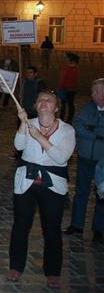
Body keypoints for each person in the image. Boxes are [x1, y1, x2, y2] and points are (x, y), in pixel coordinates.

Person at [7, 92, 75, 288]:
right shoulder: (29, 123)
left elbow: (61, 158)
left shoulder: (67, 130)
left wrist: (38, 137)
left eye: (49, 100)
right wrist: (22, 124)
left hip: (53, 185)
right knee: (21, 226)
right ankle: (16, 266)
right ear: (36, 106)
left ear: (56, 108)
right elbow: (18, 145)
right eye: (40, 100)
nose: (44, 102)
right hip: (26, 182)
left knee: (52, 229)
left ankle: (53, 272)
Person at [65, 78, 104, 244]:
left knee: (101, 195)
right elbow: (78, 127)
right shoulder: (87, 108)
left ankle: (99, 229)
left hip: (102, 160)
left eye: (97, 91)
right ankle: (77, 224)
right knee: (81, 192)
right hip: (85, 156)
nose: (93, 94)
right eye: (93, 90)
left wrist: (92, 128)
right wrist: (96, 134)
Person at [57, 53, 79, 122]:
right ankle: (69, 119)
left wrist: (59, 88)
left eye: (67, 58)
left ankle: (62, 119)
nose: (66, 59)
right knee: (70, 105)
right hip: (72, 89)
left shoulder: (66, 68)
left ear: (71, 59)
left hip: (64, 89)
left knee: (63, 105)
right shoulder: (76, 68)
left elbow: (62, 79)